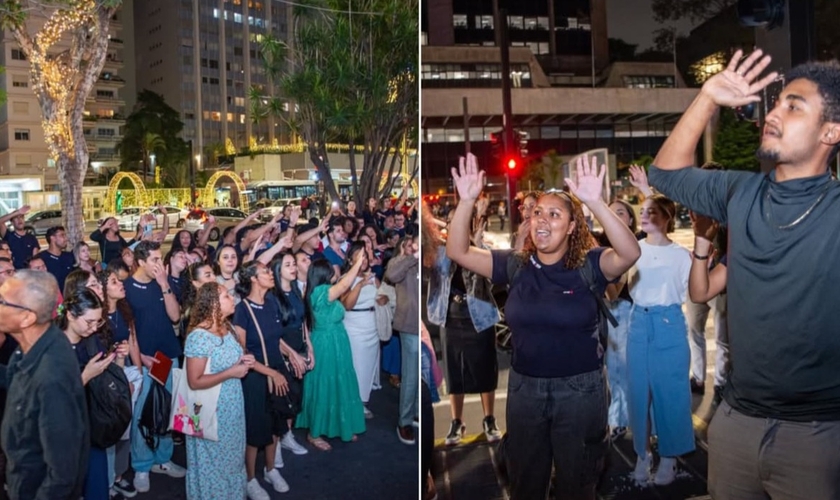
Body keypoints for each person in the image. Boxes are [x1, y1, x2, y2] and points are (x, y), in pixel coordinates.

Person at [646, 49, 840, 499]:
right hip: (734, 424)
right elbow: (665, 173)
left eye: (794, 106)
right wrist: (707, 97)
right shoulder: (739, 190)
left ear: (831, 131)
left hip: (817, 435)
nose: (774, 113)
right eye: (776, 103)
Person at [446, 153, 640, 499]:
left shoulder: (589, 264)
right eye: (538, 212)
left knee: (577, 484)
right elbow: (458, 251)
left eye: (555, 214)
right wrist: (465, 201)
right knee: (525, 482)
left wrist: (594, 201)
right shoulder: (515, 264)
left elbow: (629, 253)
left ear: (571, 226)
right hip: (525, 391)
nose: (543, 220)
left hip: (580, 392)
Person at [0, 270, 89, 499]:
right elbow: (17, 378)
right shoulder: (32, 346)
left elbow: (62, 474)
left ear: (27, 318)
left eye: (2, 301)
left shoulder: (52, 376)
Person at [625, 195, 694, 485]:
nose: (644, 216)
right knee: (638, 393)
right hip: (638, 320)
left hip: (668, 322)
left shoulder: (681, 255)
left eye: (651, 211)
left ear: (666, 217)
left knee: (671, 393)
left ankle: (669, 457)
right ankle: (643, 454)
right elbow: (622, 286)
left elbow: (691, 291)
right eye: (642, 211)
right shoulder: (633, 249)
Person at [426, 198, 502, 446]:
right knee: (454, 373)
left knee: (485, 369)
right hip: (451, 318)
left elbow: (489, 276)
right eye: (451, 222)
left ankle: (489, 418)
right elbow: (436, 265)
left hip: (479, 318)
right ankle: (457, 421)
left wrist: (477, 237)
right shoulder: (439, 250)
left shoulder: (480, 246)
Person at [123, 241, 185, 493]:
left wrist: (164, 285)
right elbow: (128, 332)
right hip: (146, 360)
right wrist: (140, 360)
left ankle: (162, 459)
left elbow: (175, 316)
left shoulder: (164, 283)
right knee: (143, 414)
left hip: (168, 356)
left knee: (168, 411)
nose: (160, 265)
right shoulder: (126, 289)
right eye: (155, 260)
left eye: (161, 259)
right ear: (140, 262)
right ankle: (141, 465)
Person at [184, 282, 254, 500]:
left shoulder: (228, 327)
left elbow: (232, 356)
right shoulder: (199, 336)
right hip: (209, 409)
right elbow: (194, 381)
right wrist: (231, 372)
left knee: (233, 458)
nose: (232, 299)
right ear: (213, 303)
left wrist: (245, 359)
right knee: (213, 463)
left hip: (232, 406)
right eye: (226, 296)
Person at [58, 289, 129, 500]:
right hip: (63, 432)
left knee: (97, 489)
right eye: (89, 322)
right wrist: (85, 376)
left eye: (98, 322)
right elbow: (52, 399)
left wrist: (119, 359)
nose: (93, 328)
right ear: (70, 315)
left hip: (93, 425)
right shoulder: (53, 346)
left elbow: (107, 383)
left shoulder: (92, 340)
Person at [232, 261, 292, 498]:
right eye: (265, 271)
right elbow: (243, 354)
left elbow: (277, 340)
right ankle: (250, 478)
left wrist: (293, 354)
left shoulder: (272, 303)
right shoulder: (242, 310)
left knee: (276, 424)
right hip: (256, 376)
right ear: (254, 279)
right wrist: (272, 373)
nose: (270, 273)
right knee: (255, 429)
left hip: (277, 370)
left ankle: (270, 469)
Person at [296, 258, 367, 450]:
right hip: (325, 344)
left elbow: (344, 287)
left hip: (337, 342)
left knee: (338, 384)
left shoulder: (323, 291)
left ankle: (341, 425)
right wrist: (358, 261)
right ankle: (314, 433)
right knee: (325, 385)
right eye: (331, 269)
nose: (335, 271)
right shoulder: (320, 293)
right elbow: (345, 284)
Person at [270, 253, 312, 467]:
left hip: (299, 348)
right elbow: (272, 334)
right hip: (281, 354)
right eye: (288, 265)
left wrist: (309, 348)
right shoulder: (272, 296)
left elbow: (304, 322)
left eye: (294, 264)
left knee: (295, 398)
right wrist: (291, 354)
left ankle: (287, 437)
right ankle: (275, 448)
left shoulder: (296, 289)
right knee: (281, 402)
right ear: (278, 270)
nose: (293, 267)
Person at [385, 234, 420, 446]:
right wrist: (410, 257)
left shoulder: (424, 260)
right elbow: (391, 275)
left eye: (416, 244)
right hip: (409, 326)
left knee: (422, 375)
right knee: (410, 375)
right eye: (409, 245)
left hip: (423, 327)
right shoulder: (400, 263)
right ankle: (404, 421)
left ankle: (416, 412)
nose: (413, 248)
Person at [341, 242, 381, 419]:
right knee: (356, 365)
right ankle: (352, 403)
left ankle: (363, 401)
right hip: (353, 326)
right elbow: (347, 305)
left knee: (368, 367)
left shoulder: (373, 276)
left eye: (365, 256)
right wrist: (360, 284)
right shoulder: (346, 279)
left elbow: (380, 296)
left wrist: (383, 298)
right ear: (350, 260)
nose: (363, 260)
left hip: (372, 324)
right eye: (359, 256)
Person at [37, 226, 75, 292]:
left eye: (65, 235)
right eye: (62, 235)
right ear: (52, 238)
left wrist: (96, 263)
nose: (66, 239)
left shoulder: (69, 256)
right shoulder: (41, 259)